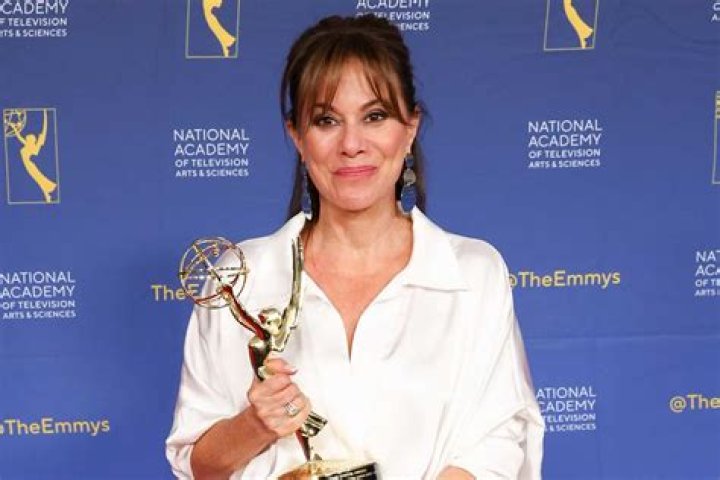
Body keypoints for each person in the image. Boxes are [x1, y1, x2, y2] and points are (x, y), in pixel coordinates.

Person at [166, 15, 544, 479]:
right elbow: (198, 466)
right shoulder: (240, 277)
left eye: (375, 116)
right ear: (297, 136)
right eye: (326, 120)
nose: (351, 144)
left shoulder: (472, 274)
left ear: (410, 127)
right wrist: (255, 425)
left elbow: (500, 444)